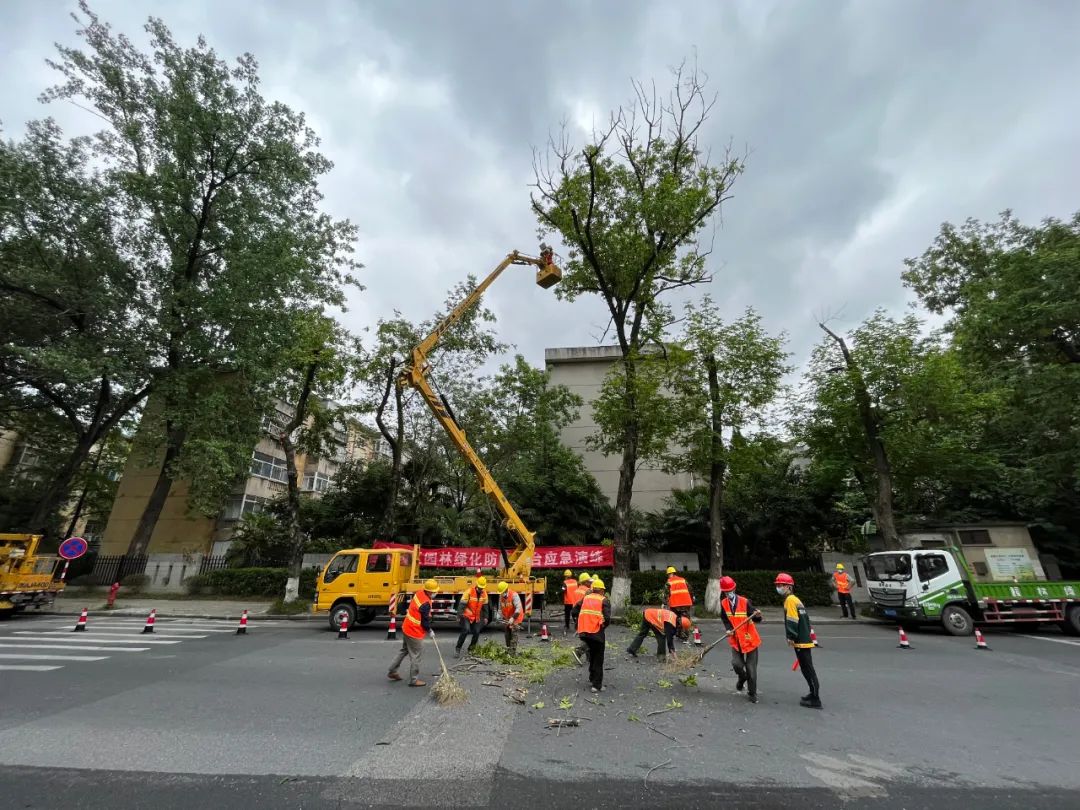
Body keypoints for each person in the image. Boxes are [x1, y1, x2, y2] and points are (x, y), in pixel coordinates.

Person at [776, 572, 821, 709]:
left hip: (801, 640)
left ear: (789, 587)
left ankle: (815, 699)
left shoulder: (790, 600)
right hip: (805, 638)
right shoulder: (796, 599)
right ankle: (812, 693)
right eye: (777, 585)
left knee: (808, 670)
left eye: (781, 585)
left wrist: (791, 636)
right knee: (807, 668)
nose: (778, 587)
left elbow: (792, 620)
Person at [718, 576, 763, 704]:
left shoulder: (745, 601)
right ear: (724, 592)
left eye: (731, 590)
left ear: (734, 588)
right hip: (736, 640)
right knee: (737, 664)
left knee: (751, 669)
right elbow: (725, 619)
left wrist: (758, 616)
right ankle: (742, 678)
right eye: (726, 591)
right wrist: (728, 629)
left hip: (750, 640)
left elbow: (755, 618)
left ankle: (752, 693)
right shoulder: (723, 604)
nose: (729, 593)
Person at [388, 579, 437, 687]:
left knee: (404, 650)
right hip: (414, 631)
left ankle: (392, 671)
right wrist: (430, 630)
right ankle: (414, 680)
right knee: (416, 655)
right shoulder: (425, 604)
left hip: (407, 627)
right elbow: (424, 622)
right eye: (434, 591)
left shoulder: (420, 593)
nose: (435, 593)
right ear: (429, 591)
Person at [572, 578, 611, 692]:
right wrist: (602, 626)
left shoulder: (585, 598)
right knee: (598, 658)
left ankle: (592, 678)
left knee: (592, 655)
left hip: (584, 633)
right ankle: (596, 685)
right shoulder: (604, 600)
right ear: (602, 590)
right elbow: (607, 618)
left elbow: (574, 611)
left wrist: (579, 622)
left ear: (592, 589)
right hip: (597, 633)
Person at [454, 576, 488, 658]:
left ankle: (471, 649)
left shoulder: (484, 593)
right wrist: (459, 616)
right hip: (466, 615)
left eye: (482, 588)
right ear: (477, 585)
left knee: (477, 632)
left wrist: (486, 617)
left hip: (476, 616)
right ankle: (458, 648)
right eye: (480, 587)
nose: (481, 589)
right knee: (466, 630)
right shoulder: (469, 591)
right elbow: (462, 604)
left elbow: (485, 606)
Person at [571, 573, 593, 665]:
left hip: (578, 616)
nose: (590, 583)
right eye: (589, 581)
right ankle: (579, 651)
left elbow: (575, 606)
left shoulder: (576, 591)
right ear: (585, 582)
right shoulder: (588, 591)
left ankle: (589, 658)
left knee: (587, 636)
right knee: (590, 637)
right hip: (586, 617)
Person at [497, 581, 524, 654]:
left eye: (503, 592)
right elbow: (500, 608)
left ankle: (512, 652)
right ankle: (508, 649)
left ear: (506, 589)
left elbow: (518, 608)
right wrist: (499, 615)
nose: (502, 594)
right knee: (507, 634)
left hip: (516, 617)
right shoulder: (501, 596)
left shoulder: (514, 595)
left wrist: (512, 618)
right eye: (501, 592)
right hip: (507, 619)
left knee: (514, 635)